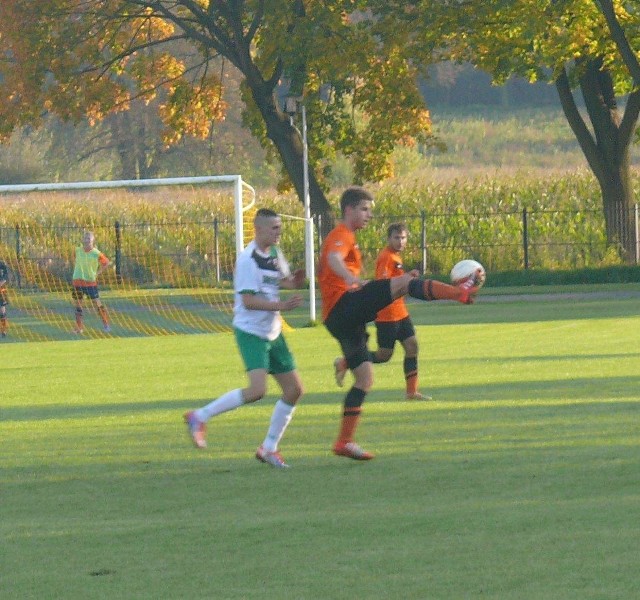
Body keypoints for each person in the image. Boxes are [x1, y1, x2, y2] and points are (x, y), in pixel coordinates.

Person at [318, 186, 481, 461]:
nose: (369, 215)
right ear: (349, 210)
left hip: (340, 319)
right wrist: (350, 279)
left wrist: (354, 280)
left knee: (365, 379)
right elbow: (333, 259)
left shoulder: (350, 238)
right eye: (364, 209)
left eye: (370, 209)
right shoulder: (341, 234)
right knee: (404, 284)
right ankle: (459, 294)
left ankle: (344, 441)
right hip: (343, 306)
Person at [184, 208, 306, 468]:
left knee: (294, 390)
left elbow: (285, 283)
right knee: (258, 390)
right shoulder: (248, 260)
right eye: (274, 228)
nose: (278, 232)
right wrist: (282, 307)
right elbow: (248, 301)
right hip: (251, 331)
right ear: (258, 229)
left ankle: (269, 448)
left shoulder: (274, 253)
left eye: (279, 227)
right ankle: (200, 416)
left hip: (272, 330)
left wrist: (297, 280)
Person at [334, 222, 431, 401]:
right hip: (387, 315)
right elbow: (384, 283)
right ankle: (346, 362)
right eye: (396, 237)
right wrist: (407, 278)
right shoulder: (386, 257)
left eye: (403, 238)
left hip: (401, 313)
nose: (400, 241)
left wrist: (407, 276)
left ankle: (412, 392)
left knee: (412, 346)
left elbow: (397, 280)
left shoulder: (396, 257)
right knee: (384, 355)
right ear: (388, 239)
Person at [72, 231, 111, 334]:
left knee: (97, 304)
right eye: (85, 238)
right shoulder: (77, 250)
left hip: (90, 283)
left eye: (88, 239)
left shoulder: (96, 253)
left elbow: (106, 263)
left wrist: (97, 273)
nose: (86, 241)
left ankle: (106, 325)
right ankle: (79, 328)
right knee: (78, 305)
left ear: (93, 241)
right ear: (82, 240)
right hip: (78, 282)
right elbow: (74, 259)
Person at [0, 260, 9, 337]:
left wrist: (1, 283)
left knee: (2, 313)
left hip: (1, 292)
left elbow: (6, 278)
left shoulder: (2, 265)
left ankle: (4, 330)